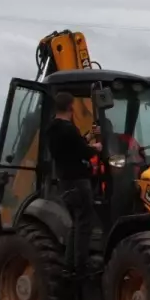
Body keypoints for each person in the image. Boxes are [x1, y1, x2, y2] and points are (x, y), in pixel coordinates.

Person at [46, 91, 101, 273]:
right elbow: (83, 152)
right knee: (85, 221)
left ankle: (70, 263)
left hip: (64, 182)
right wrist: (96, 148)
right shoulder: (68, 128)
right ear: (71, 106)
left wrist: (90, 138)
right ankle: (81, 264)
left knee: (75, 223)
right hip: (78, 181)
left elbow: (74, 146)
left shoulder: (51, 129)